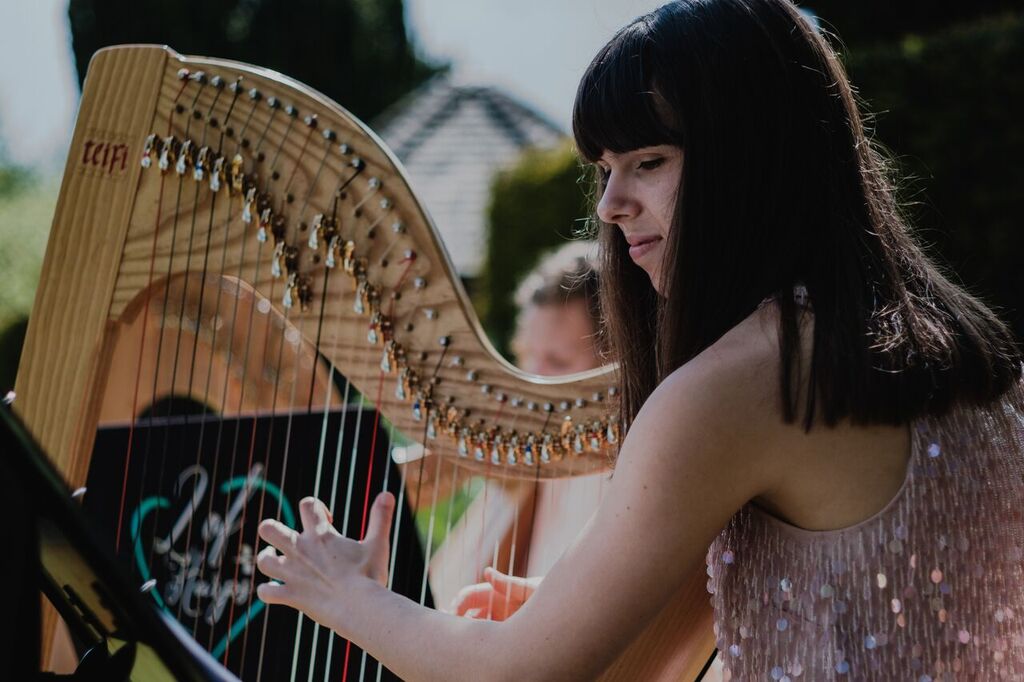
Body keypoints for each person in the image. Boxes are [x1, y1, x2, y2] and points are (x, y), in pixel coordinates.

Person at [255, 1, 1024, 679]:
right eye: (605, 170)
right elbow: (880, 610)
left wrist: (344, 594)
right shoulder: (957, 347)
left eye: (649, 162)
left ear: (753, 162)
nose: (614, 206)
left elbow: (514, 676)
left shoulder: (744, 382)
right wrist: (574, 607)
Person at [452, 240, 610, 621]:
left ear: (615, 367)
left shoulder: (620, 482)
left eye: (556, 361)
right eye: (527, 355)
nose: (533, 381)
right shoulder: (524, 458)